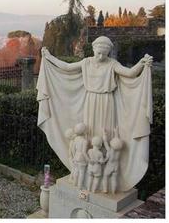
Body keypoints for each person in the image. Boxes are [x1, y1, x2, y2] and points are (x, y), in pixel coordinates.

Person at [37, 36, 153, 193]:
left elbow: (130, 73)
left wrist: (143, 63)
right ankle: (87, 172)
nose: (100, 57)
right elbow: (67, 67)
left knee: (105, 133)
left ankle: (102, 174)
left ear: (108, 53)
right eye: (98, 53)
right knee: (89, 132)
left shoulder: (112, 64)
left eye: (104, 54)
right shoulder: (86, 62)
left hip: (106, 103)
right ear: (93, 50)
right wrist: (49, 57)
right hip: (91, 101)